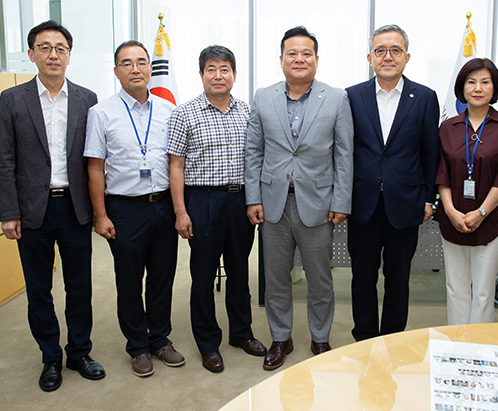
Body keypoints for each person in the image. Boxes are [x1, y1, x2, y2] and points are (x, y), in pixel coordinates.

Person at [0, 20, 104, 392]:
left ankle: (79, 352)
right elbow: (4, 159)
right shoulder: (13, 99)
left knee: (80, 286)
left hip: (74, 208)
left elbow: (95, 159)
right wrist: (8, 212)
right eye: (45, 47)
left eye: (60, 48)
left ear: (69, 56)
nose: (53, 54)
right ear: (31, 54)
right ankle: (50, 358)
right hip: (32, 211)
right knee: (39, 289)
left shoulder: (88, 99)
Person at [245, 26, 354, 370]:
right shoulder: (264, 96)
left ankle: (320, 337)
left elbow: (344, 154)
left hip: (318, 204)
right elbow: (254, 151)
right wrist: (253, 198)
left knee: (320, 278)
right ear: (281, 60)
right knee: (276, 278)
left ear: (317, 60)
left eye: (306, 53)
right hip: (273, 203)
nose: (299, 59)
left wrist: (341, 201)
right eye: (292, 53)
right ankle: (281, 338)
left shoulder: (336, 98)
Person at [84, 40, 184, 377]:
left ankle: (160, 339)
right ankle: (137, 347)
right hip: (125, 209)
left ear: (150, 68)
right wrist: (100, 215)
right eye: (127, 63)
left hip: (163, 206)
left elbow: (176, 163)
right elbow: (95, 168)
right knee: (129, 281)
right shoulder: (101, 113)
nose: (136, 68)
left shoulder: (169, 111)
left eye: (142, 61)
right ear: (116, 72)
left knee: (162, 277)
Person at [167, 45, 267, 373]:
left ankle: (241, 333)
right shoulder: (184, 113)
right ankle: (208, 343)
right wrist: (181, 211)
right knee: (203, 275)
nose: (218, 75)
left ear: (234, 75)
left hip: (240, 201)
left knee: (240, 271)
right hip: (202, 201)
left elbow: (257, 160)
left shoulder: (248, 112)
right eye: (211, 69)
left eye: (225, 69)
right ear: (201, 75)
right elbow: (176, 165)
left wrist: (255, 200)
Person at [346, 24, 440, 341]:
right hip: (363, 203)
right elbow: (344, 152)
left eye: (395, 50)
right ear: (370, 57)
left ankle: (392, 339)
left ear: (407, 56)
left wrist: (429, 199)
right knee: (362, 276)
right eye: (381, 50)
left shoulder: (425, 98)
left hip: (406, 202)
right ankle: (365, 336)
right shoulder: (352, 96)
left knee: (398, 277)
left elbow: (430, 152)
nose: (388, 56)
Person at [435, 58, 498, 325]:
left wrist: (481, 212)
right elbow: (441, 173)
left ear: (494, 88)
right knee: (456, 288)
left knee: (483, 292)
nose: (478, 88)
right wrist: (450, 210)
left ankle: (479, 350)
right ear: (462, 88)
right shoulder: (447, 128)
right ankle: (456, 345)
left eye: (485, 82)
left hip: (490, 219)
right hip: (453, 219)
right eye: (471, 82)